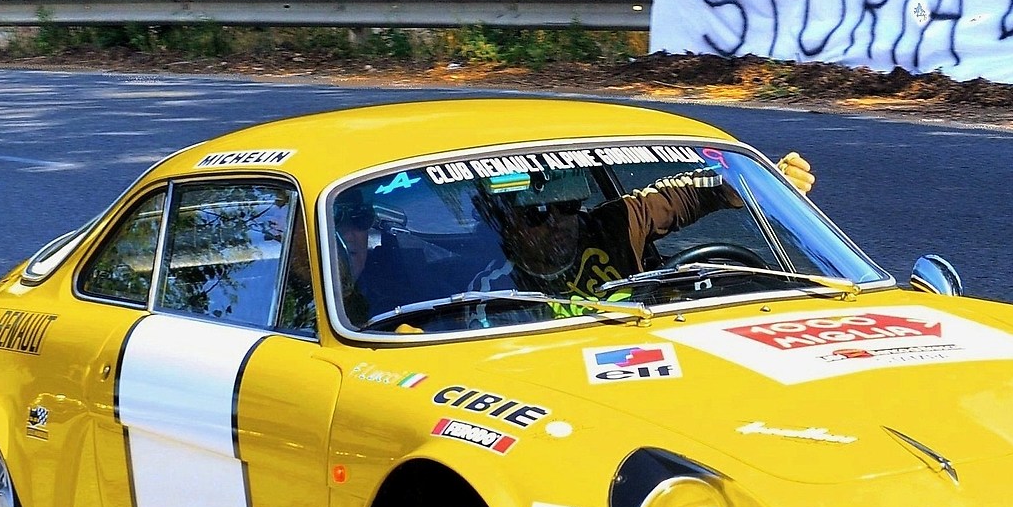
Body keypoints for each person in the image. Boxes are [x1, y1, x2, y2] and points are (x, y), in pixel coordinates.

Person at [336, 154, 817, 326]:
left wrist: (758, 183)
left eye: (568, 208)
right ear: (508, 225)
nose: (559, 223)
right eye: (539, 215)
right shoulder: (488, 294)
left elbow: (691, 194)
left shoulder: (610, 225)